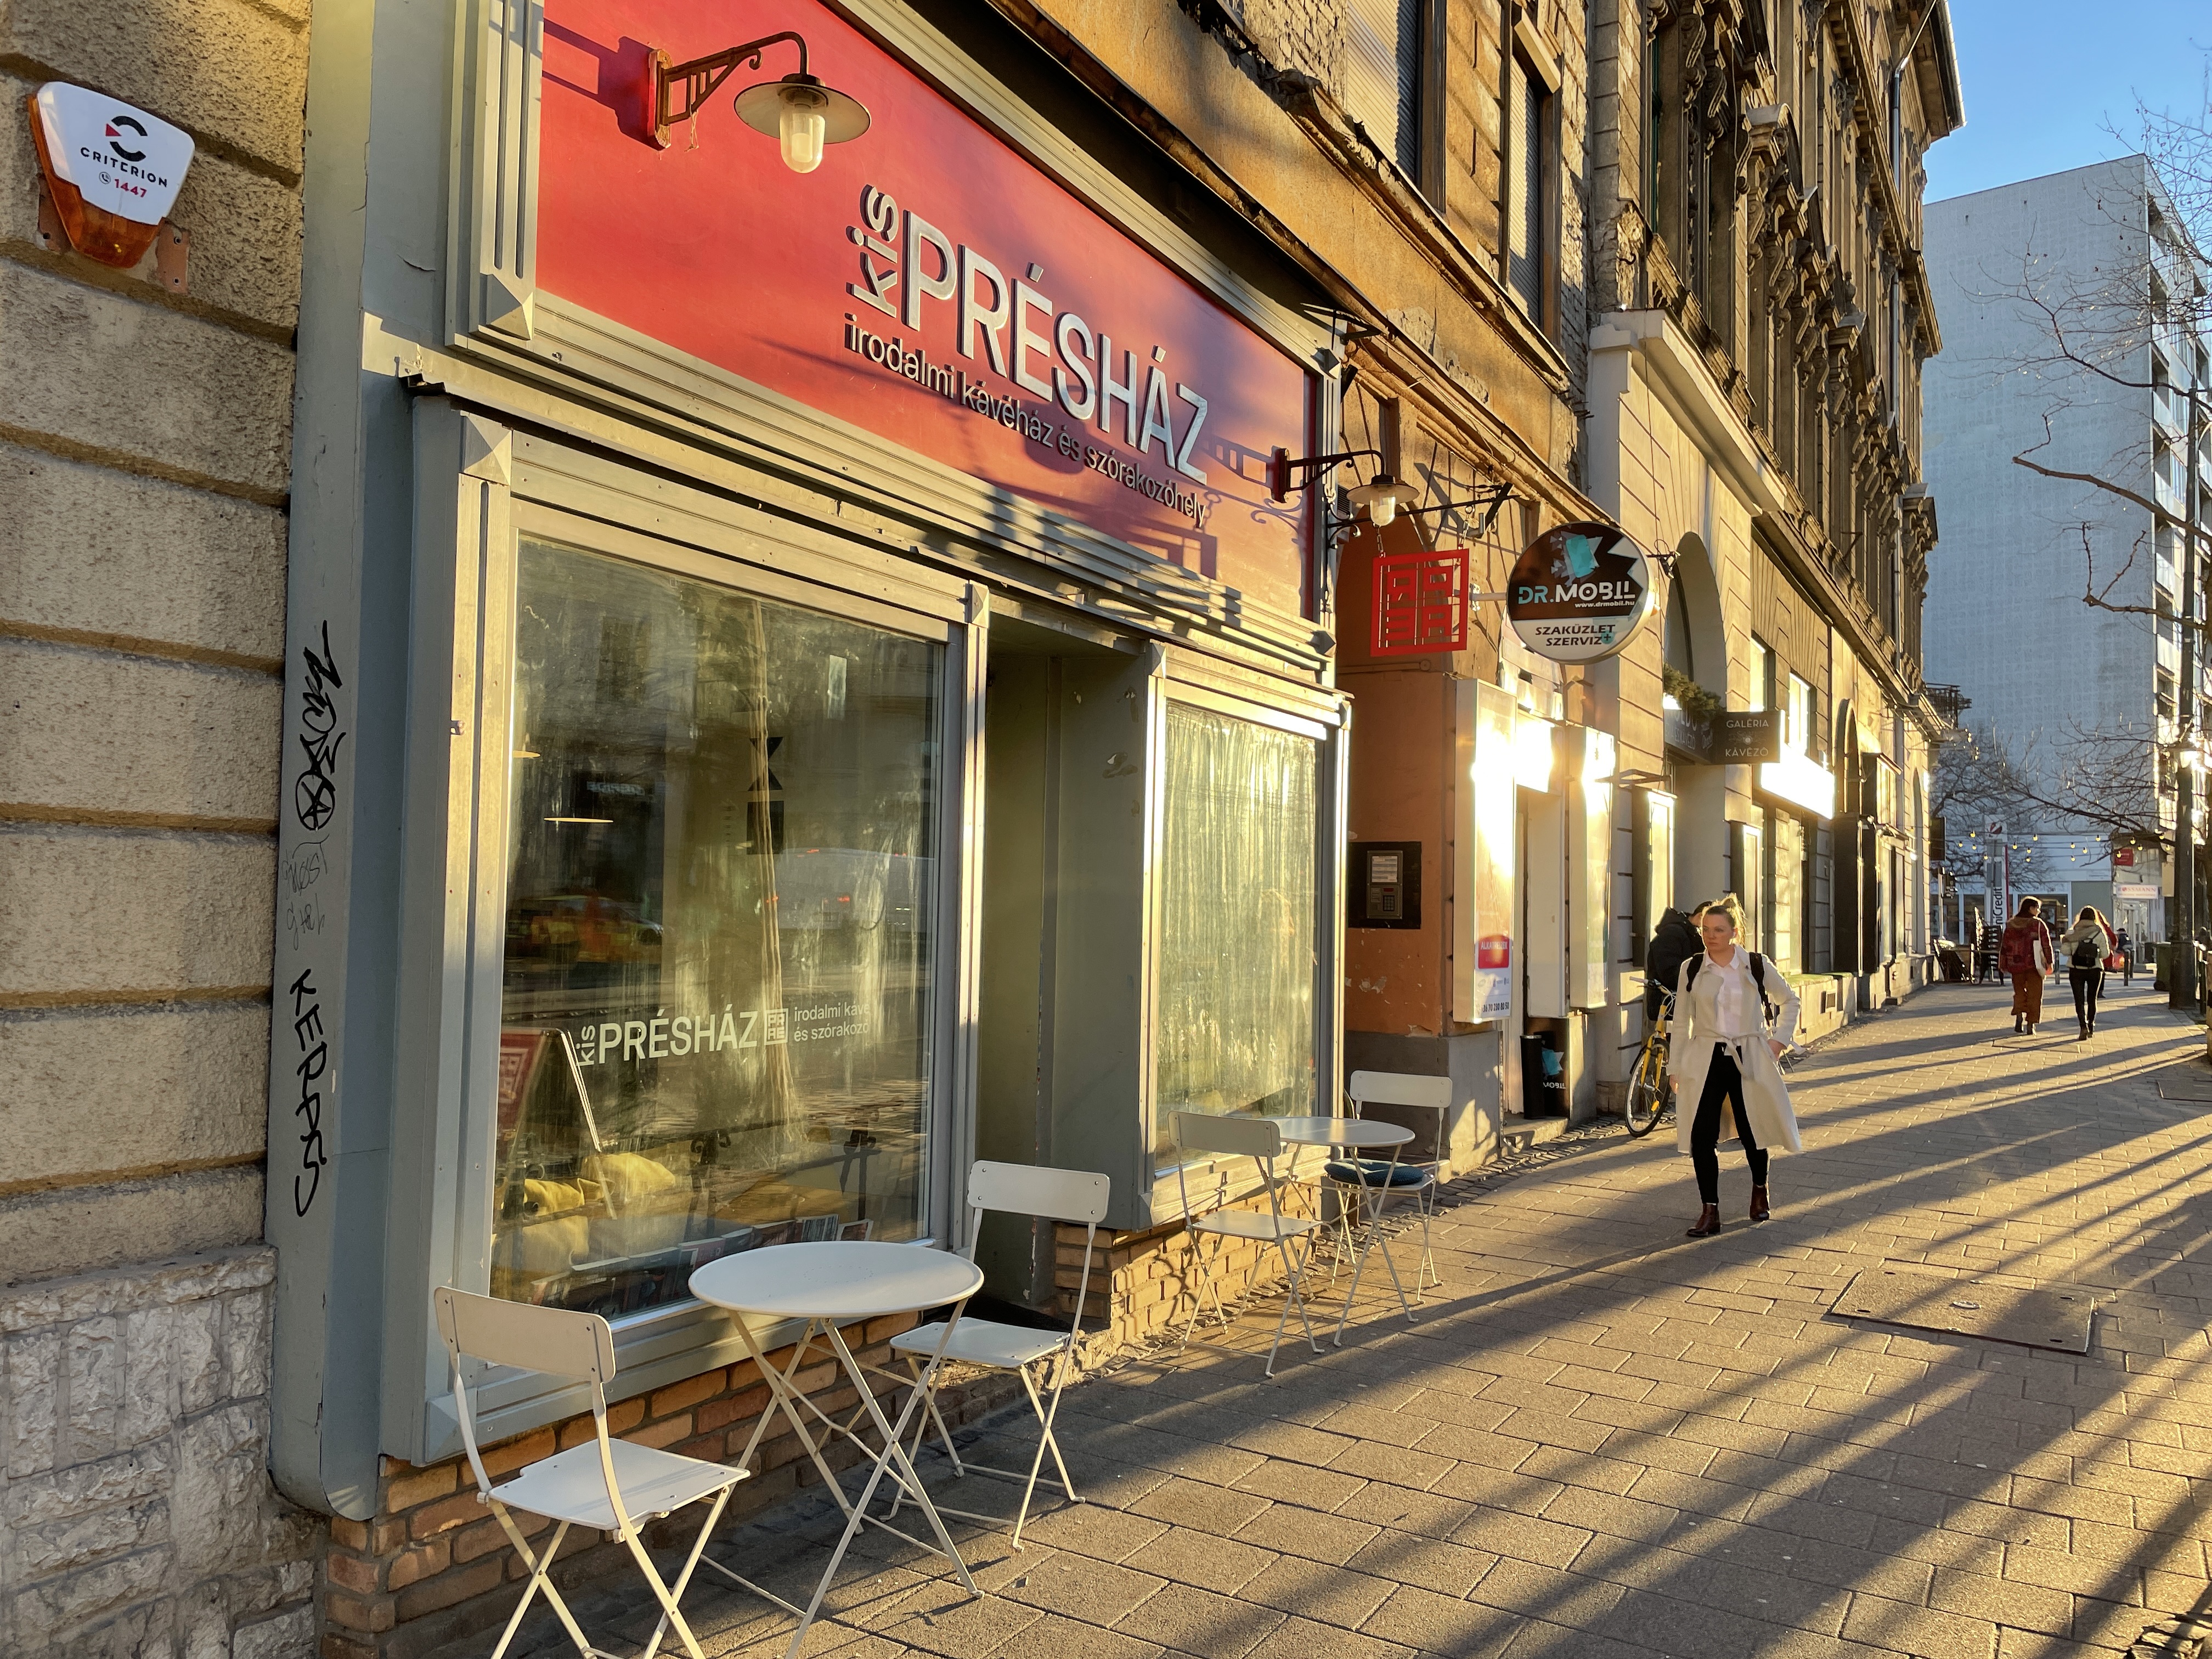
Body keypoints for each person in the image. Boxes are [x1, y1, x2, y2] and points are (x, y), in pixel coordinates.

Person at [1668, 895, 1802, 1238]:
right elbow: (1681, 1021)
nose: (1710, 936)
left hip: (1750, 1056)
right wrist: (1675, 1066)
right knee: (1701, 1136)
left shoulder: (1755, 964)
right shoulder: (1693, 967)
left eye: (1719, 930)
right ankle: (1709, 1211)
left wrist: (1778, 1041)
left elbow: (1790, 1000)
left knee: (1753, 1130)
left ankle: (1760, 1189)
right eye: (1706, 930)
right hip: (1705, 1057)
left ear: (1734, 932)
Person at [2057, 906, 2115, 1040]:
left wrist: (2075, 950)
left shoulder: (2072, 932)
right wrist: (2094, 953)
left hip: (2076, 969)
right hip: (2094, 970)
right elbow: (2106, 954)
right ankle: (2091, 1026)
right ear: (2094, 918)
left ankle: (2082, 1026)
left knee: (2079, 1000)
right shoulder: (2099, 933)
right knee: (2092, 1000)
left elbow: (2065, 952)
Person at [1999, 898, 2053, 1035]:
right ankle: (2030, 1025)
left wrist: (2003, 963)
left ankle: (2019, 1016)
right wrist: (2049, 961)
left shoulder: (2011, 925)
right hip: (2034, 965)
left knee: (2019, 992)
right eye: (2037, 908)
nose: (2038, 912)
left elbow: (2004, 946)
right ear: (2031, 909)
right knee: (2035, 994)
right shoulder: (2037, 924)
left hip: (2015, 965)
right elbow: (2046, 944)